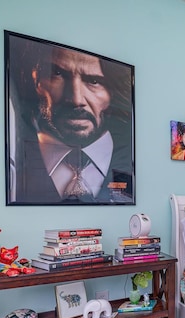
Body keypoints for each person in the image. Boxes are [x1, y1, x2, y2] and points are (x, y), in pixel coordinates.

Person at [8, 36, 134, 204]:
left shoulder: (133, 163)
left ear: (112, 94)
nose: (76, 99)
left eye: (94, 81)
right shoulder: (14, 162)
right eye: (58, 74)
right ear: (36, 79)